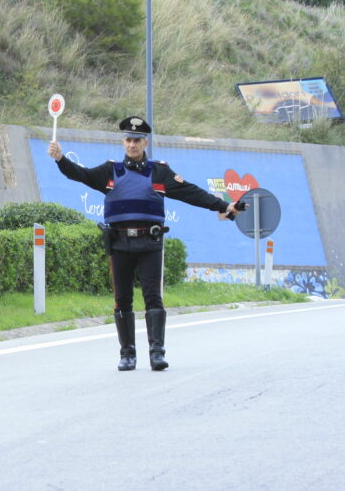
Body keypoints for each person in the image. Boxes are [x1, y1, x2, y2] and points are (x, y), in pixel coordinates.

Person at [47, 116, 242, 371]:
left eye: (137, 140)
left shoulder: (160, 172)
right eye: (128, 139)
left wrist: (224, 206)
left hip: (150, 243)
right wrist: (61, 158)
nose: (132, 145)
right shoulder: (110, 171)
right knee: (122, 300)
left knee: (153, 298)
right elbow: (81, 175)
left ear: (145, 142)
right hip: (119, 245)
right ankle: (127, 354)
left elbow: (191, 193)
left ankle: (156, 352)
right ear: (123, 142)